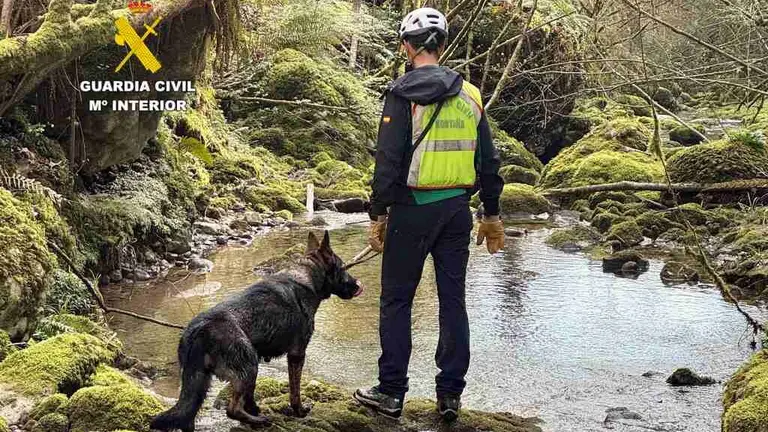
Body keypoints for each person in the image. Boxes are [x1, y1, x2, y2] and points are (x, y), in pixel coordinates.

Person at [353, 7, 505, 423]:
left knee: (397, 301)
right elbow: (490, 162)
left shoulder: (400, 94)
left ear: (406, 47)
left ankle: (391, 392)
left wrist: (377, 213)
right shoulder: (470, 95)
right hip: (456, 211)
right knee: (452, 301)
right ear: (441, 47)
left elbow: (387, 160)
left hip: (410, 212)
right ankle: (450, 396)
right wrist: (491, 213)